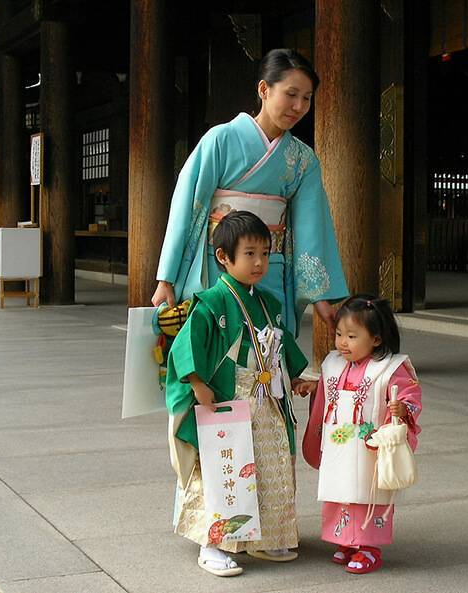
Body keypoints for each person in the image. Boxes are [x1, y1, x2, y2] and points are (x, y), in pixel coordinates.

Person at [152, 48, 348, 336]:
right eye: (291, 94)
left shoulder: (303, 160)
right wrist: (166, 278)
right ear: (264, 89)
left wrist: (320, 295)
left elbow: (312, 227)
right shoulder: (220, 139)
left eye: (307, 98)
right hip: (219, 263)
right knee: (218, 351)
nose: (299, 106)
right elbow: (187, 206)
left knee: (267, 352)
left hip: (269, 268)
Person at [166, 211, 311, 577]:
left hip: (266, 398)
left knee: (268, 467)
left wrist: (295, 376)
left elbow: (282, 345)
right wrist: (197, 383)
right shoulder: (212, 302)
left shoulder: (268, 303)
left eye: (264, 253)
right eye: (249, 253)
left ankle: (263, 539)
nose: (260, 262)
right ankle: (212, 545)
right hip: (229, 399)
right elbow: (186, 345)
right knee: (225, 469)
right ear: (223, 258)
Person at [296, 295, 423, 575]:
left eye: (352, 336)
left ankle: (368, 547)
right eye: (339, 334)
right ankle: (346, 541)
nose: (342, 342)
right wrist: (314, 389)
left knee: (366, 492)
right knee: (340, 490)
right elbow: (331, 390)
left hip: (369, 446)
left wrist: (402, 407)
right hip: (340, 443)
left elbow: (410, 394)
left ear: (376, 339)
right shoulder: (334, 363)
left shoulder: (391, 367)